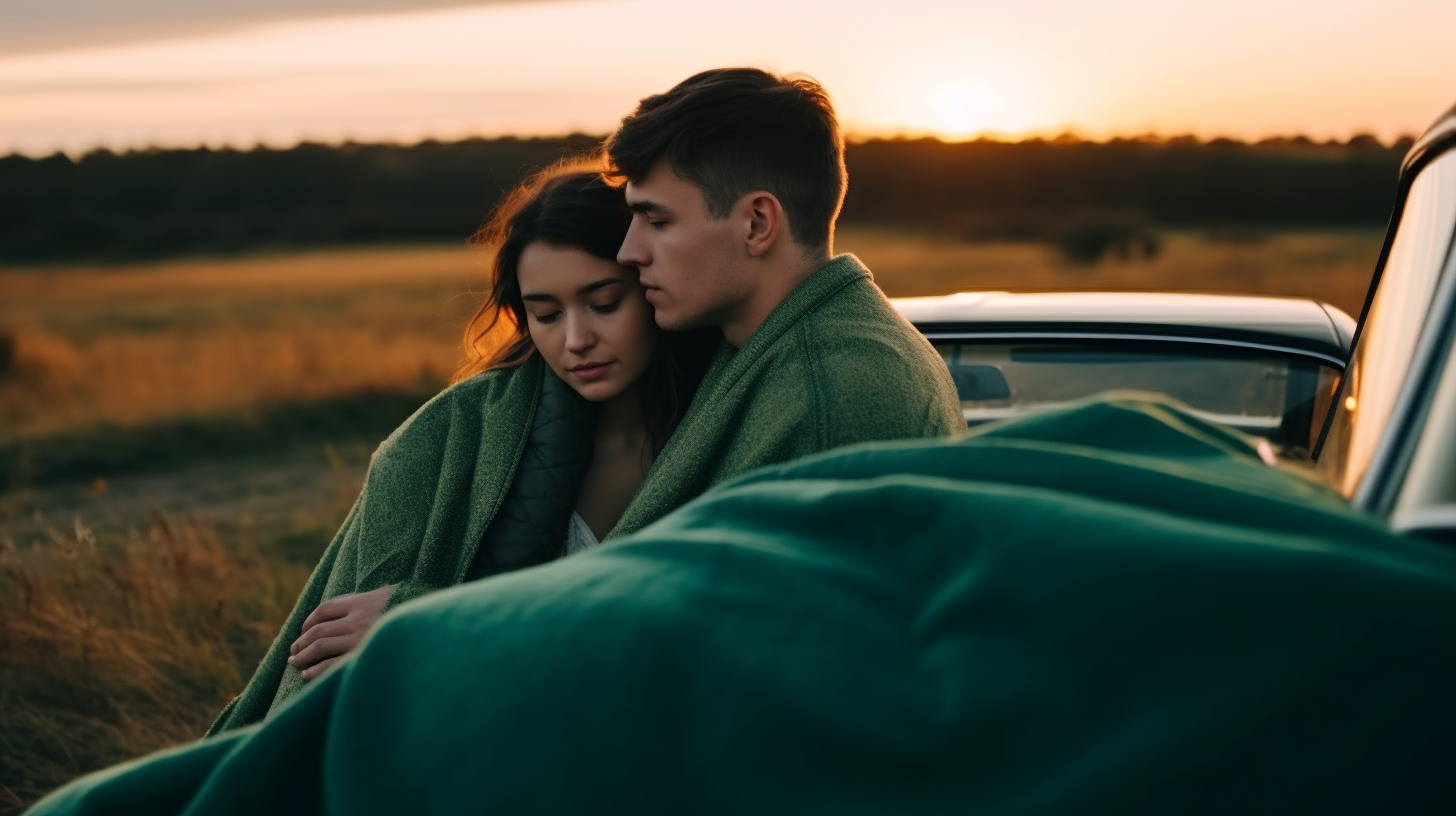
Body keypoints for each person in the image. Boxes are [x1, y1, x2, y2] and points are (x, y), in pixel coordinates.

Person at [207, 159, 717, 733]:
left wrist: (430, 619)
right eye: (545, 314)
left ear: (653, 286)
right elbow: (333, 659)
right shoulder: (446, 438)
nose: (576, 341)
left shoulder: (732, 423)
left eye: (604, 304)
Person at [600, 67, 964, 538]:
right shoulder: (779, 346)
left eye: (658, 221)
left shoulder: (829, 404)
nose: (629, 252)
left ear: (757, 223)